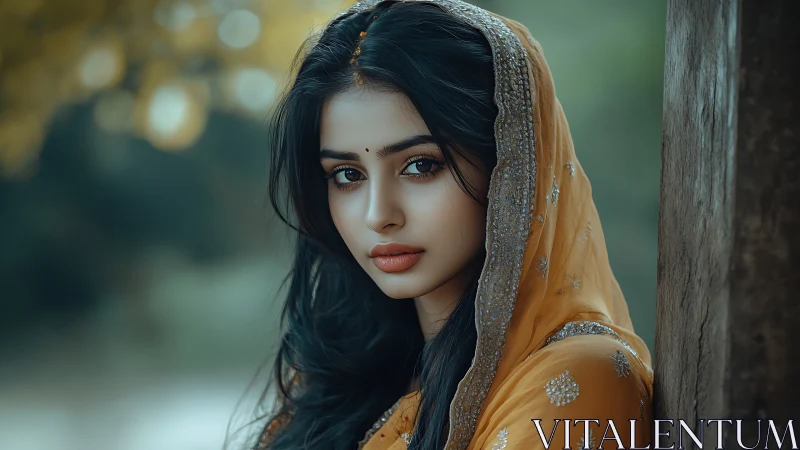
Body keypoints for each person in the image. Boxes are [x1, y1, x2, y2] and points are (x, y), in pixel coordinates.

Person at [254, 0, 654, 448]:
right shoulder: (341, 379)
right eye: (347, 175)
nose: (378, 215)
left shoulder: (578, 378)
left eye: (421, 165)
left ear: (510, 164)